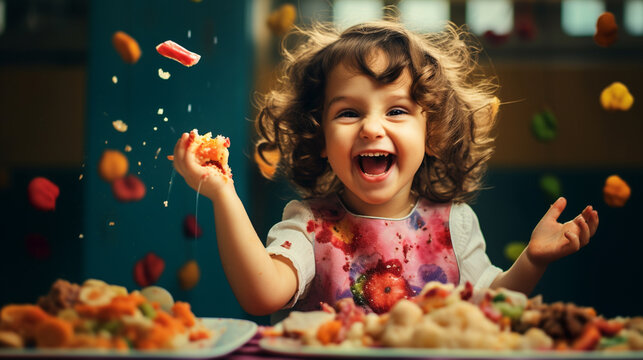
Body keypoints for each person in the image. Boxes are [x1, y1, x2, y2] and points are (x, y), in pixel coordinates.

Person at [172, 20, 598, 320]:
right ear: (320, 139)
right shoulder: (309, 226)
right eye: (348, 113)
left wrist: (532, 260)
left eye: (396, 110)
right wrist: (221, 193)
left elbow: (489, 306)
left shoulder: (455, 225)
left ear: (431, 133)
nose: (372, 127)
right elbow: (261, 294)